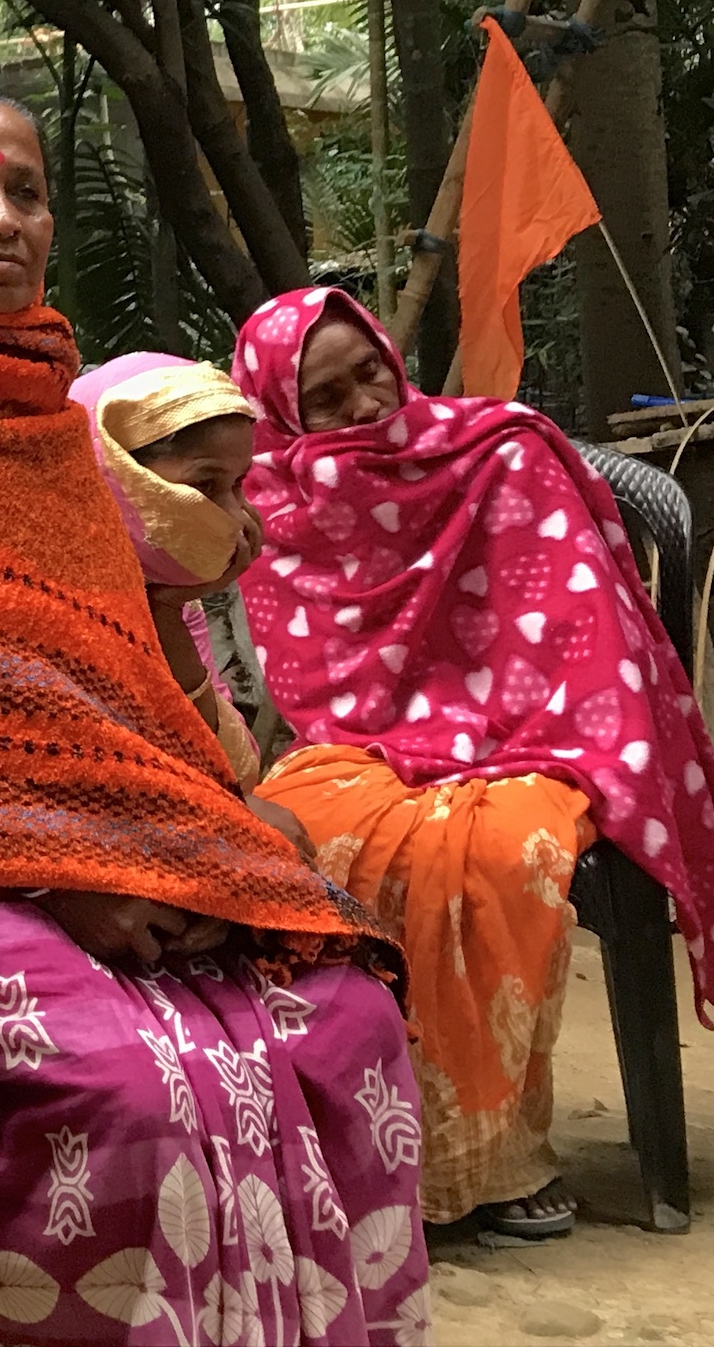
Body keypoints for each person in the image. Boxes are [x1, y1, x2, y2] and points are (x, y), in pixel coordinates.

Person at [0, 87, 428, 1347]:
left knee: (345, 1024)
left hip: (110, 844)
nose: (2, 219)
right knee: (120, 1088)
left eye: (26, 193)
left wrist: (156, 850)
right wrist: (63, 882)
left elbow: (114, 693)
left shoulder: (52, 423)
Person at [231, 286, 714, 1239]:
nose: (370, 406)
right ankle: (345, 1145)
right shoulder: (278, 498)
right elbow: (310, 673)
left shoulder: (503, 452)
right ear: (285, 417)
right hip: (361, 744)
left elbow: (587, 642)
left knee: (508, 858)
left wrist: (482, 748)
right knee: (281, 840)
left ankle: (489, 1165)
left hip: (535, 737)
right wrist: (411, 748)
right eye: (329, 399)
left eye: (372, 371)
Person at [66, 353, 305, 835]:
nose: (238, 515)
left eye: (238, 486)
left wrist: (167, 612)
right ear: (109, 470)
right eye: (205, 484)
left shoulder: (168, 594)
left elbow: (231, 768)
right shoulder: (32, 592)